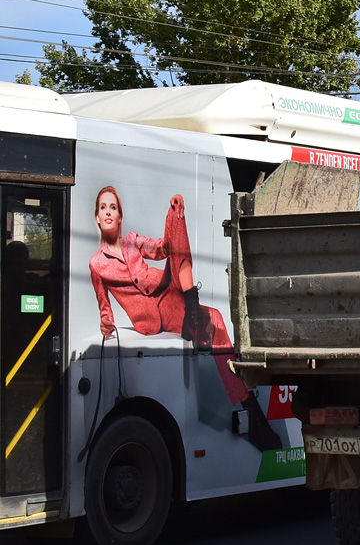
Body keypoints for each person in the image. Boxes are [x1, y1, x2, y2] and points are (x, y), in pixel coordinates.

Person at [89, 186, 281, 452]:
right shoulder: (96, 264)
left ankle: (254, 414)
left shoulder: (132, 240)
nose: (108, 212)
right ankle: (254, 412)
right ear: (97, 217)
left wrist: (175, 213)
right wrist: (106, 322)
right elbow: (104, 305)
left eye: (113, 207)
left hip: (169, 295)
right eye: (103, 208)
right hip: (149, 319)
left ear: (120, 216)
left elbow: (164, 249)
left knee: (176, 219)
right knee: (213, 318)